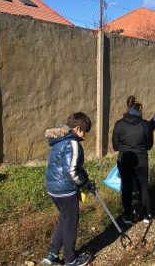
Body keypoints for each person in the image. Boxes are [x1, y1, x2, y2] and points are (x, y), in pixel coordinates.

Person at [43, 112, 95, 266]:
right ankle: (70, 260)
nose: (84, 135)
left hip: (53, 188)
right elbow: (72, 171)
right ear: (78, 128)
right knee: (71, 223)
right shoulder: (72, 143)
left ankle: (52, 254)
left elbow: (74, 167)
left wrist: (85, 178)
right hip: (65, 191)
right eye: (84, 131)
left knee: (64, 220)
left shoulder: (59, 140)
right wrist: (84, 184)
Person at [112, 96, 154, 224]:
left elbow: (115, 146)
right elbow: (149, 145)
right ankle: (147, 215)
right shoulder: (145, 125)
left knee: (126, 187)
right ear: (139, 110)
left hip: (124, 160)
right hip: (141, 159)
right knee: (143, 187)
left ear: (128, 109)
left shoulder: (119, 124)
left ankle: (128, 216)